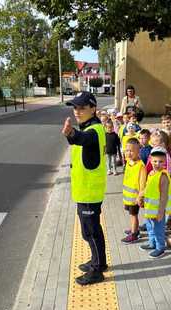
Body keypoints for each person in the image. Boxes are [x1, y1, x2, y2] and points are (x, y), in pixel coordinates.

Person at [62, 91, 107, 285]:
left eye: (81, 107)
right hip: (85, 191)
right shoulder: (89, 126)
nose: (77, 111)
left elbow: (83, 139)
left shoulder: (93, 130)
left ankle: (97, 271)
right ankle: (99, 262)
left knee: (91, 232)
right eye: (75, 107)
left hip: (90, 192)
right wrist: (73, 134)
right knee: (90, 231)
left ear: (93, 108)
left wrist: (71, 133)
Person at [140, 147, 171, 258]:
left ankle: (160, 248)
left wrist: (161, 212)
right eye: (155, 161)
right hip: (149, 208)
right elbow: (148, 189)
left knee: (158, 229)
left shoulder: (163, 177)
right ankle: (152, 243)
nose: (157, 164)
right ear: (150, 160)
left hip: (157, 210)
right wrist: (141, 198)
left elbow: (164, 197)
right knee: (150, 227)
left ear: (165, 162)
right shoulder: (151, 173)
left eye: (160, 161)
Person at [122, 138, 147, 243]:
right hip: (128, 197)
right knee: (131, 215)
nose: (129, 153)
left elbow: (142, 184)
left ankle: (134, 234)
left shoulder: (141, 166)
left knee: (133, 215)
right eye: (127, 150)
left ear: (138, 151)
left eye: (132, 151)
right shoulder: (128, 162)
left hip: (135, 198)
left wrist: (140, 197)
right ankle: (134, 229)